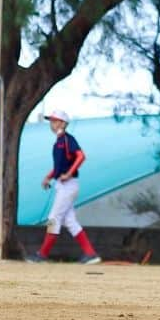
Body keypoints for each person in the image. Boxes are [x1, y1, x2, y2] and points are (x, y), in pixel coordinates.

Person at [28, 110, 102, 265]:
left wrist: (68, 174)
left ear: (63, 123)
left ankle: (42, 254)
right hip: (63, 185)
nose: (52, 124)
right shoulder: (58, 141)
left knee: (53, 219)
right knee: (70, 221)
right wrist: (49, 176)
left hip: (68, 185)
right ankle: (91, 254)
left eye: (55, 121)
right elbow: (58, 166)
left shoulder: (68, 139)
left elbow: (81, 156)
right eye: (51, 121)